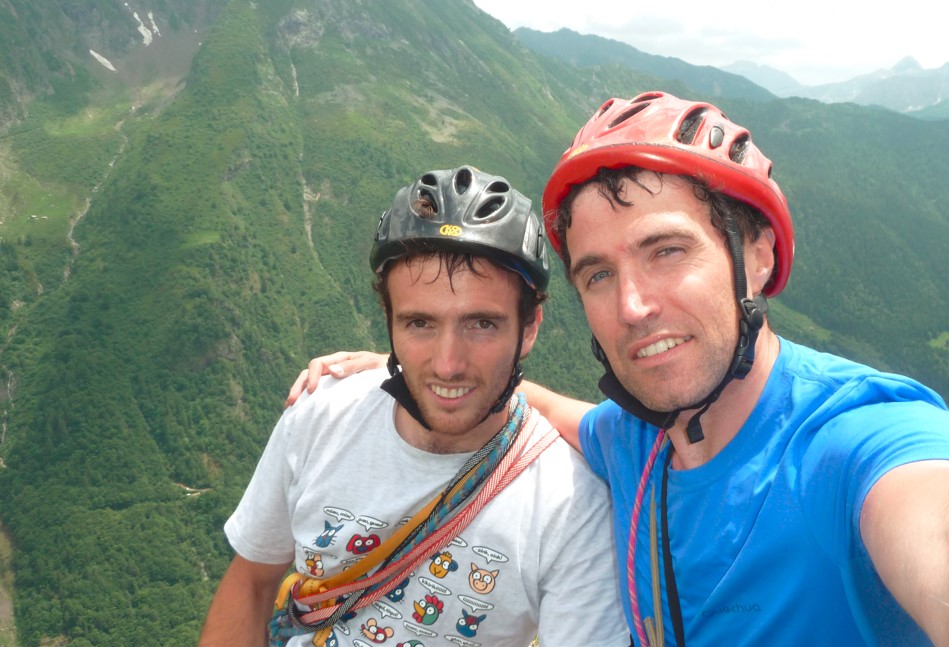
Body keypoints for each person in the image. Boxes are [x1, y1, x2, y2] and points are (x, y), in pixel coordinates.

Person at [288, 92, 949, 646]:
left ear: (757, 254)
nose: (633, 306)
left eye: (666, 251)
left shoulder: (850, 442)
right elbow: (548, 406)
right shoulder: (633, 443)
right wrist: (422, 365)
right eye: (598, 275)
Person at [198, 166, 630, 647]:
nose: (448, 365)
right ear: (389, 320)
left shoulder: (570, 506)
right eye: (419, 324)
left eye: (482, 324)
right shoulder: (321, 414)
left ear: (529, 328)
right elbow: (252, 582)